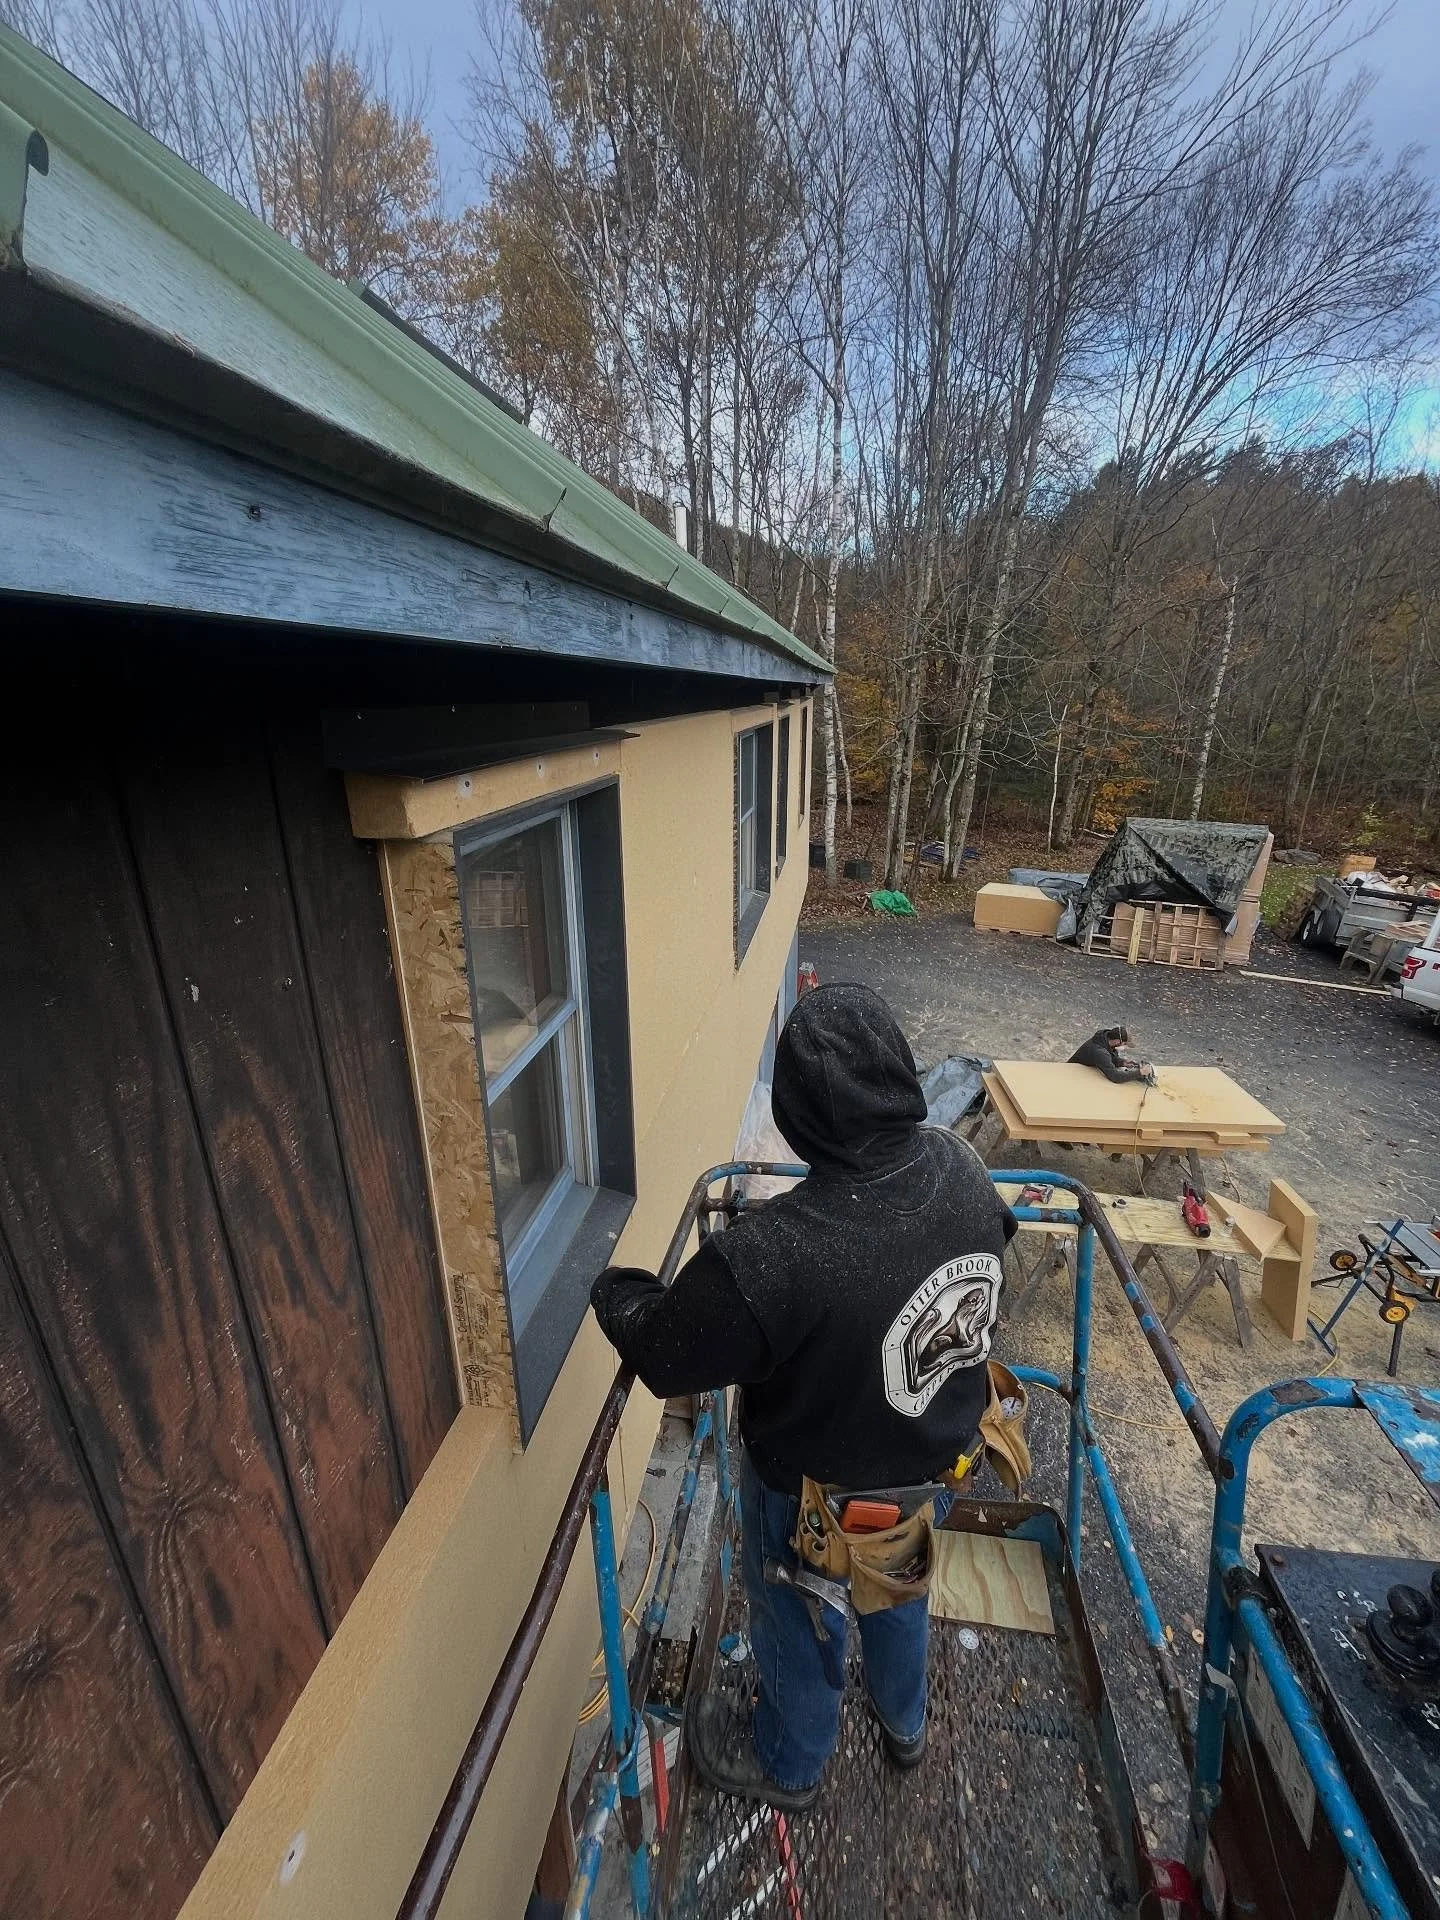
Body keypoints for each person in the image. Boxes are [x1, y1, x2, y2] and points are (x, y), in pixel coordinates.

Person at [589, 982, 1015, 1811]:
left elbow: (665, 1357)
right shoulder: (962, 1169)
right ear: (899, 1074)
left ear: (796, 1114)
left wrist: (617, 1288)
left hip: (813, 1497)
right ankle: (904, 1724)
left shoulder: (777, 1253)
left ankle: (791, 1762)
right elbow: (988, 1266)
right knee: (900, 1586)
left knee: (800, 1617)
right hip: (933, 1464)